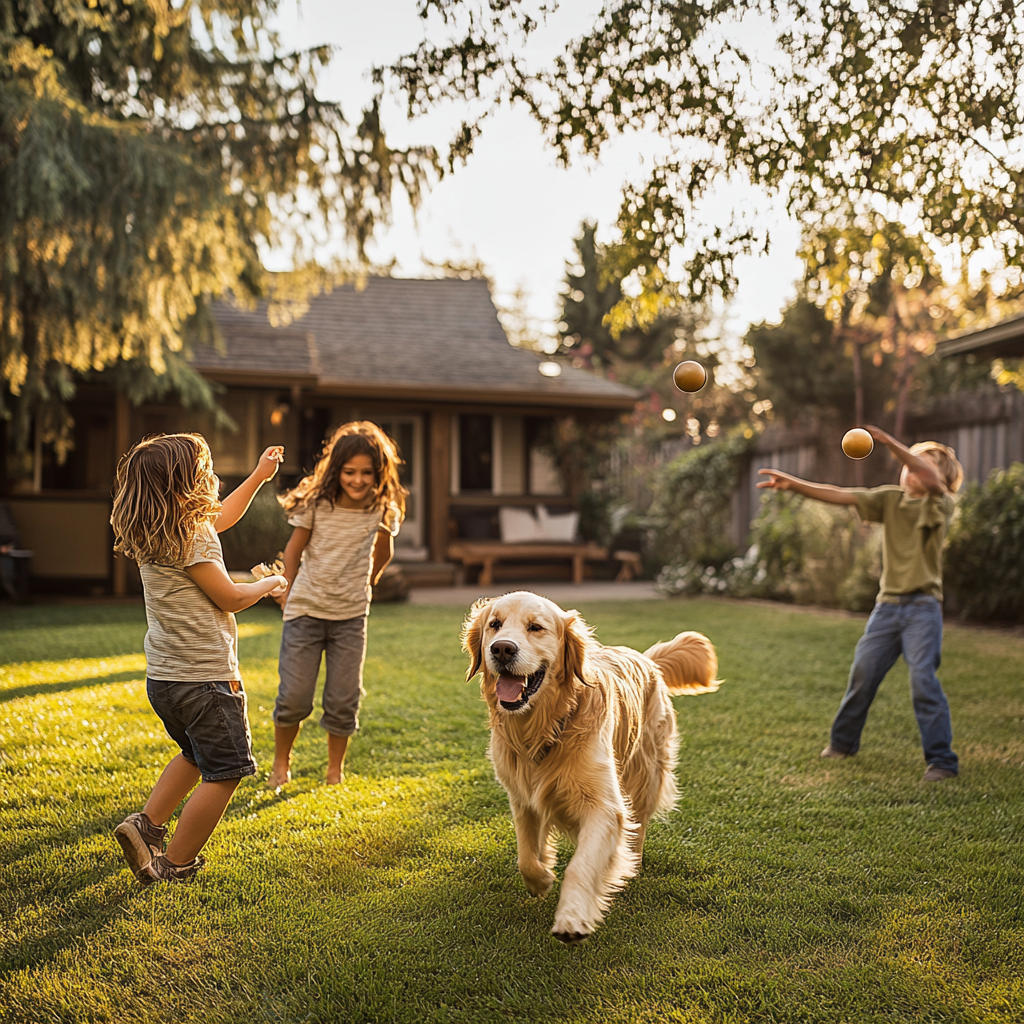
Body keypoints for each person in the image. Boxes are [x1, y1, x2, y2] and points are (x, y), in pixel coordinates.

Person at [110, 434, 289, 884]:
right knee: (226, 771)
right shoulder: (191, 538)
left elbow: (221, 517)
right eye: (204, 472)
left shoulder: (157, 532)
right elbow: (228, 597)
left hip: (165, 679)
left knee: (193, 753)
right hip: (206, 679)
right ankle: (176, 863)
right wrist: (268, 584)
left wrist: (257, 477)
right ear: (184, 486)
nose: (212, 478)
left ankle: (145, 827)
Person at [757, 426, 964, 782]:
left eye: (920, 464)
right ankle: (843, 743)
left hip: (922, 609)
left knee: (922, 680)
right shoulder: (889, 500)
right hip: (887, 608)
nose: (911, 469)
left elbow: (929, 478)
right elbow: (840, 494)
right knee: (863, 673)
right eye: (908, 464)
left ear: (940, 477)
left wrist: (890, 444)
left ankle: (942, 760)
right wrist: (795, 484)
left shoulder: (940, 502)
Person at [267, 421, 406, 789]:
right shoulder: (317, 503)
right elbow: (294, 550)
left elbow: (384, 551)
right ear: (336, 470)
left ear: (379, 473)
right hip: (305, 612)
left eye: (366, 473)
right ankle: (281, 763)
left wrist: (368, 584)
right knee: (294, 697)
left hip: (350, 618)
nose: (358, 480)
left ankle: (334, 770)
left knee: (343, 699)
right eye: (349, 472)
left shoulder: (382, 508)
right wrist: (286, 591)